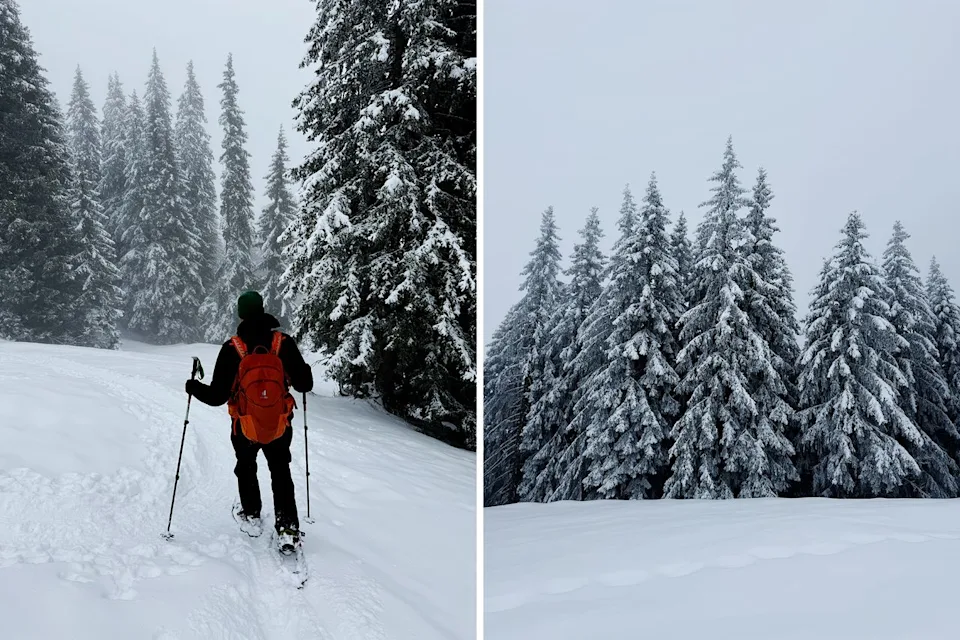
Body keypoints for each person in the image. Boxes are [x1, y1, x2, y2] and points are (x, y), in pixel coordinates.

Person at [185, 290, 313, 548]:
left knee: (246, 466)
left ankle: (251, 512)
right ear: (263, 309)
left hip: (243, 425)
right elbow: (304, 384)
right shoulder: (282, 342)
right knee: (280, 471)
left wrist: (192, 387)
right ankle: (288, 526)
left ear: (241, 314)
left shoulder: (233, 347)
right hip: (278, 423)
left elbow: (217, 397)